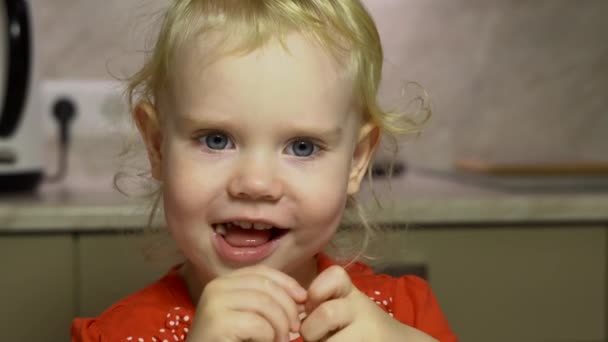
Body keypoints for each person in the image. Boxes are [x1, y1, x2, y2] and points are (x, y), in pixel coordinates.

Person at [72, 1, 457, 341]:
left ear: (357, 161)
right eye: (216, 140)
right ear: (157, 146)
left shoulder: (406, 317)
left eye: (302, 147)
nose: (255, 184)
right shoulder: (114, 335)